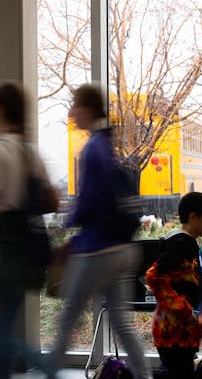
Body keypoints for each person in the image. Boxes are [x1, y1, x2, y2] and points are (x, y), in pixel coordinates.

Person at [47, 84, 152, 379]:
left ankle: (49, 373)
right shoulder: (108, 144)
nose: (71, 112)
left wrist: (70, 222)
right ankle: (145, 376)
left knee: (67, 319)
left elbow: (92, 201)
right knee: (122, 323)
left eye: (75, 106)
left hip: (97, 251)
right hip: (122, 250)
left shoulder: (92, 149)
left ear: (88, 110)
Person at [0, 81, 58, 379]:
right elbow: (54, 201)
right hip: (26, 251)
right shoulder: (30, 153)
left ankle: (47, 368)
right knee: (3, 325)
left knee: (0, 332)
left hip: (1, 248)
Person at [145, 192, 202, 379]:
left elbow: (193, 288)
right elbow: (154, 276)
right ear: (193, 217)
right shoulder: (181, 245)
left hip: (184, 333)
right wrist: (183, 309)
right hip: (174, 334)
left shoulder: (191, 245)